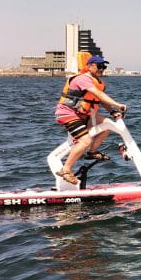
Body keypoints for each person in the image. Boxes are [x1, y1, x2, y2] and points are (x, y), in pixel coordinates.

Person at [54, 55, 127, 184]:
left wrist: (112, 111)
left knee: (108, 126)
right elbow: (99, 94)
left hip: (85, 114)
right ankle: (65, 169)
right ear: (90, 66)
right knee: (85, 140)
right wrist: (118, 105)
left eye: (104, 67)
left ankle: (92, 152)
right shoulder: (83, 79)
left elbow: (98, 99)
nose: (102, 69)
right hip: (68, 113)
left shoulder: (97, 82)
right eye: (99, 66)